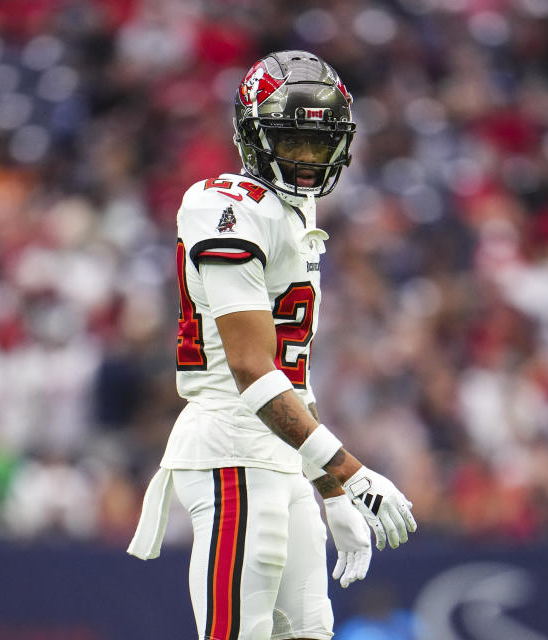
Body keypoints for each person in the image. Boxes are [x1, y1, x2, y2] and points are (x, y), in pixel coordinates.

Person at [127, 50, 417, 640]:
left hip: (281, 453)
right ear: (252, 135)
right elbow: (252, 369)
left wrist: (329, 488)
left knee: (308, 631)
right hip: (231, 445)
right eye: (292, 141)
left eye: (319, 144)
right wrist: (351, 471)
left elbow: (290, 376)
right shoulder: (226, 206)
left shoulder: (292, 208)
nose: (308, 161)